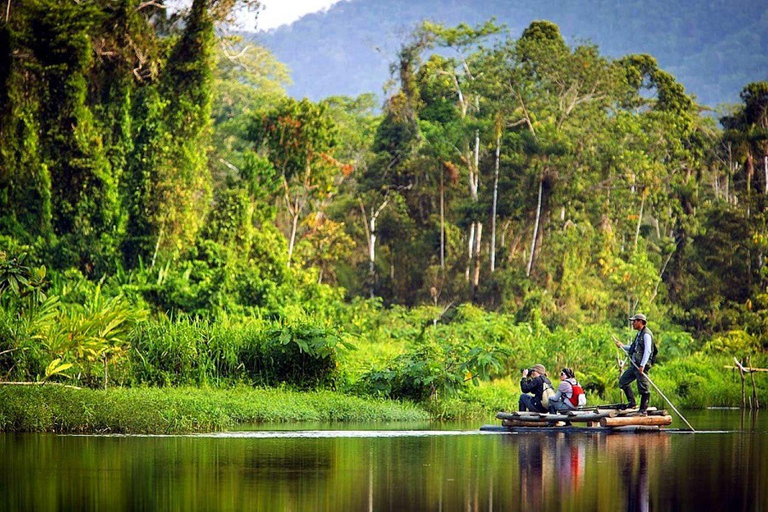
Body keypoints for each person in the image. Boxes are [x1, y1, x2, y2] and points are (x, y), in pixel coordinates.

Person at [614, 313, 656, 413]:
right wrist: (623, 346)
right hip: (634, 365)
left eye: (634, 321)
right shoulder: (639, 334)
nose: (633, 323)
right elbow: (634, 348)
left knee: (643, 387)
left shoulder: (646, 334)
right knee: (622, 381)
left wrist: (642, 365)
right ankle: (632, 403)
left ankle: (643, 409)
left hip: (641, 365)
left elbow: (648, 351)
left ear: (640, 322)